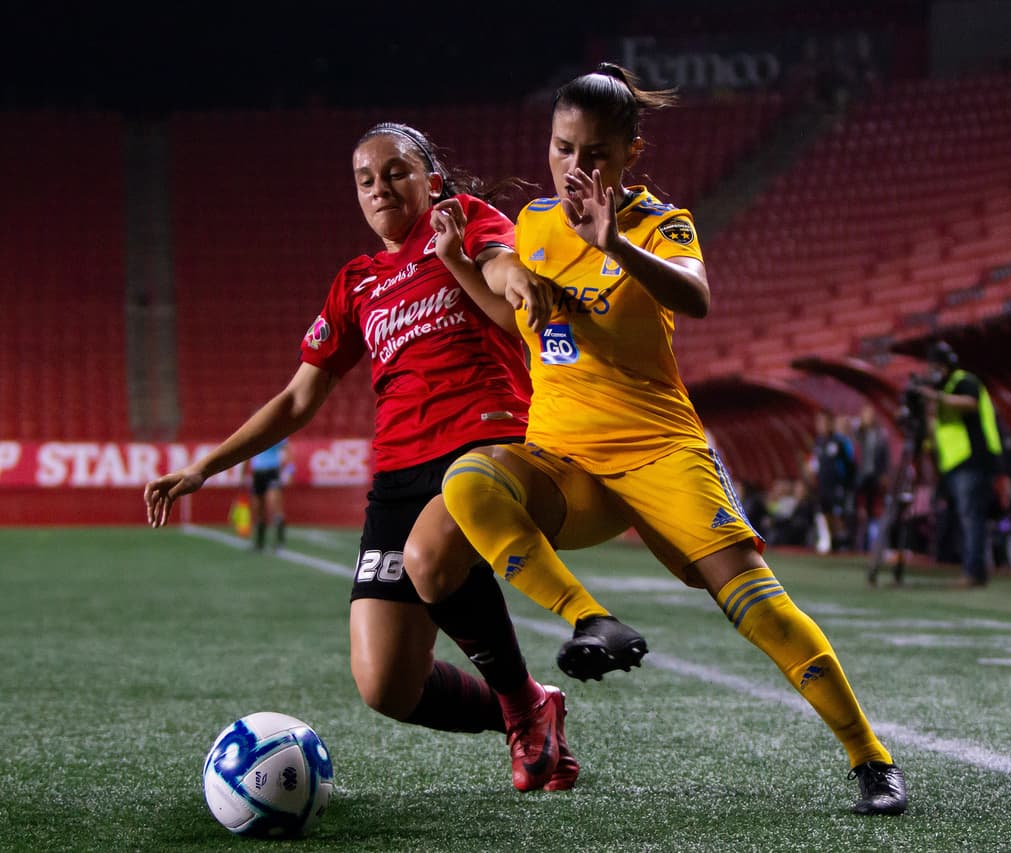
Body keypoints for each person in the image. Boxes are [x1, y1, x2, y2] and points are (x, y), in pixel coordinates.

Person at [407, 63, 906, 816]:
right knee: (468, 481)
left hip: (659, 450)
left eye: (596, 152)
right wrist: (457, 264)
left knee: (758, 605)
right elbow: (523, 323)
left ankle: (871, 758)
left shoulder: (656, 221)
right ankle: (588, 617)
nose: (577, 167)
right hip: (563, 459)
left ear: (630, 151)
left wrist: (613, 242)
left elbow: (695, 296)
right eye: (563, 147)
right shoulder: (536, 224)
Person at [143, 123, 577, 792]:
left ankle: (521, 703)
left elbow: (499, 268)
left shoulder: (467, 224)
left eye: (396, 171)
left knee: (431, 556)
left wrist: (511, 272)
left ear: (431, 179)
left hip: (488, 445)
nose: (380, 187)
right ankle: (530, 711)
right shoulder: (356, 282)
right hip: (398, 476)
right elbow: (296, 400)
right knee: (386, 685)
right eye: (365, 179)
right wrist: (206, 466)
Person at [917, 341, 1001, 587]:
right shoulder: (943, 389)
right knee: (965, 517)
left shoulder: (963, 381)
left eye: (935, 365)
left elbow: (971, 403)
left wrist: (937, 397)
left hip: (972, 459)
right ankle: (973, 569)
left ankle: (973, 572)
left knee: (970, 517)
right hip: (954, 463)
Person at [811, 411, 856, 555]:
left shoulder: (840, 442)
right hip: (823, 485)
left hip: (837, 485)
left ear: (830, 424)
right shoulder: (818, 442)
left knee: (838, 514)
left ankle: (842, 542)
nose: (821, 426)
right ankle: (827, 540)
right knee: (823, 512)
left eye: (824, 422)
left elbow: (849, 464)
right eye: (819, 423)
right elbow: (816, 464)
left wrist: (846, 484)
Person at [853, 405, 890, 551]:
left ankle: (874, 545)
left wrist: (885, 474)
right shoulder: (859, 433)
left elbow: (885, 457)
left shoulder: (881, 435)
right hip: (861, 477)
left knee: (875, 511)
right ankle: (858, 545)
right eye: (866, 413)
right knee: (859, 511)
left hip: (875, 477)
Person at [247, 437, 289, 551]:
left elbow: (286, 450)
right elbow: (247, 452)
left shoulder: (278, 429)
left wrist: (287, 469)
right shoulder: (255, 430)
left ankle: (279, 542)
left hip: (272, 470)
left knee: (274, 505)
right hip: (257, 472)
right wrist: (244, 474)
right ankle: (259, 543)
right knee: (257, 507)